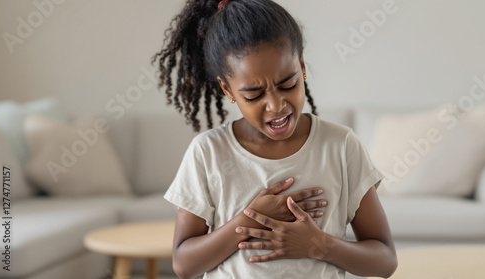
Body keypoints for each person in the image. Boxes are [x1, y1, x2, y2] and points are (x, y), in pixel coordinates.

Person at [152, 0, 398, 278]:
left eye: (288, 84)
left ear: (302, 64)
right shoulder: (208, 151)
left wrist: (318, 245)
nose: (276, 105)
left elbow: (385, 260)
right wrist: (247, 219)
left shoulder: (340, 145)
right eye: (254, 95)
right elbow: (184, 265)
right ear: (227, 88)